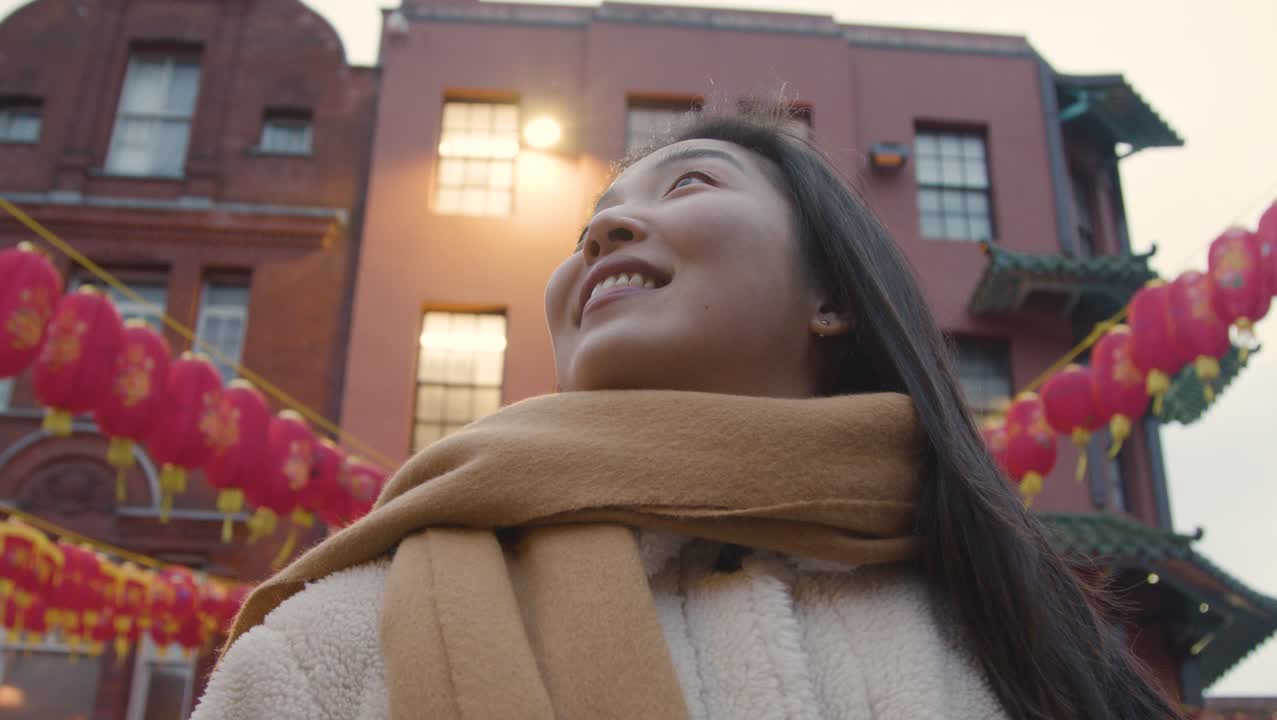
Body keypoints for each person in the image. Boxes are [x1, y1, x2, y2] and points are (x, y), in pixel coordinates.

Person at [192, 108, 1182, 720]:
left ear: (831, 297)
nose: (601, 230)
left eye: (691, 182)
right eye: (590, 221)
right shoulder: (332, 643)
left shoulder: (1015, 647)